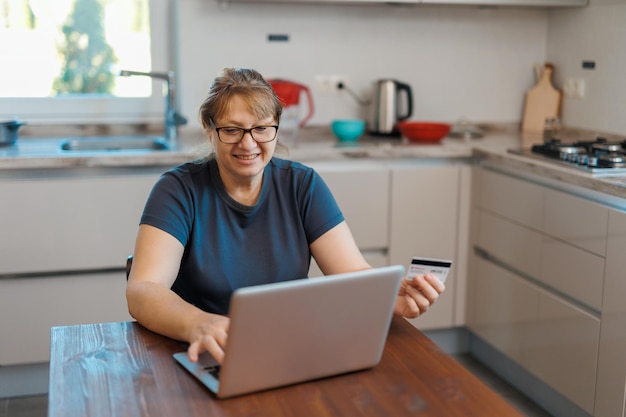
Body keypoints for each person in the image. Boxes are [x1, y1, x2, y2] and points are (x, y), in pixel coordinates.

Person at [126, 67, 445, 365]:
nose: (248, 143)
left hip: (289, 350)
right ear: (210, 131)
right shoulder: (178, 189)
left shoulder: (302, 184)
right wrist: (200, 323)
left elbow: (351, 272)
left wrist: (389, 297)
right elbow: (144, 288)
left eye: (261, 128)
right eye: (232, 130)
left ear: (276, 129)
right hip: (204, 351)